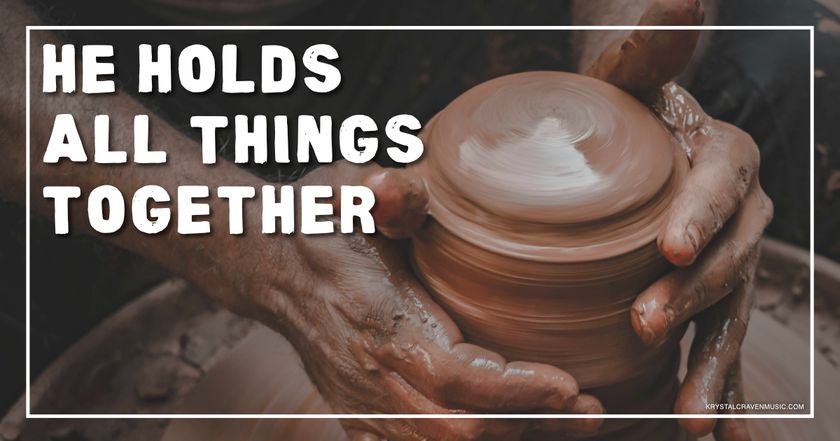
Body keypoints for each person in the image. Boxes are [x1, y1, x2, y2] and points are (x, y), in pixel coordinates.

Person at [0, 0, 773, 440]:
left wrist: (637, 62)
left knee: (791, 74)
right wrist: (251, 245)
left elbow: (653, 18)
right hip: (83, 72)